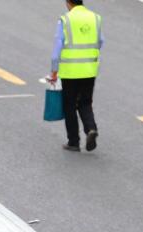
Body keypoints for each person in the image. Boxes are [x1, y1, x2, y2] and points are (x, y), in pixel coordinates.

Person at [47, 0, 103, 153]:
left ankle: (74, 142)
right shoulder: (95, 18)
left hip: (70, 71)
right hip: (89, 69)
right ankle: (91, 128)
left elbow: (58, 46)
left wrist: (53, 70)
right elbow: (100, 41)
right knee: (85, 102)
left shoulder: (65, 20)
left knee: (69, 105)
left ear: (68, 3)